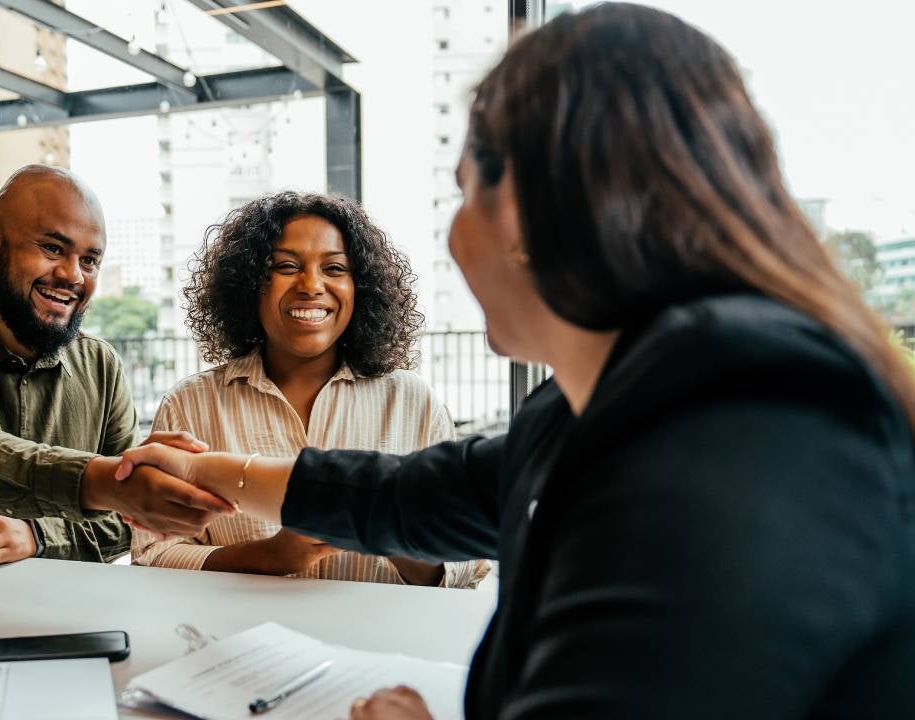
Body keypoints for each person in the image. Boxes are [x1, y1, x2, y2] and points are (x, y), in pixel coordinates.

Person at [114, 5, 915, 718]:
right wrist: (219, 473)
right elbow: (422, 491)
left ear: (536, 209)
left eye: (465, 190)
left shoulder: (739, 437)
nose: (456, 236)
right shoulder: (602, 399)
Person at [0, 165, 233, 568]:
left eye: (89, 260)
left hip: (61, 619)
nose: (72, 275)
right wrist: (107, 484)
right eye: (52, 248)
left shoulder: (101, 365)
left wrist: (40, 534)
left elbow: (131, 523)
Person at [133, 192, 486, 587]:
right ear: (249, 284)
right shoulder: (190, 404)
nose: (311, 285)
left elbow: (465, 565)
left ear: (361, 288)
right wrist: (267, 558)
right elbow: (153, 554)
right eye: (285, 266)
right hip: (234, 640)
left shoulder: (412, 402)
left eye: (335, 268)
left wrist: (385, 525)